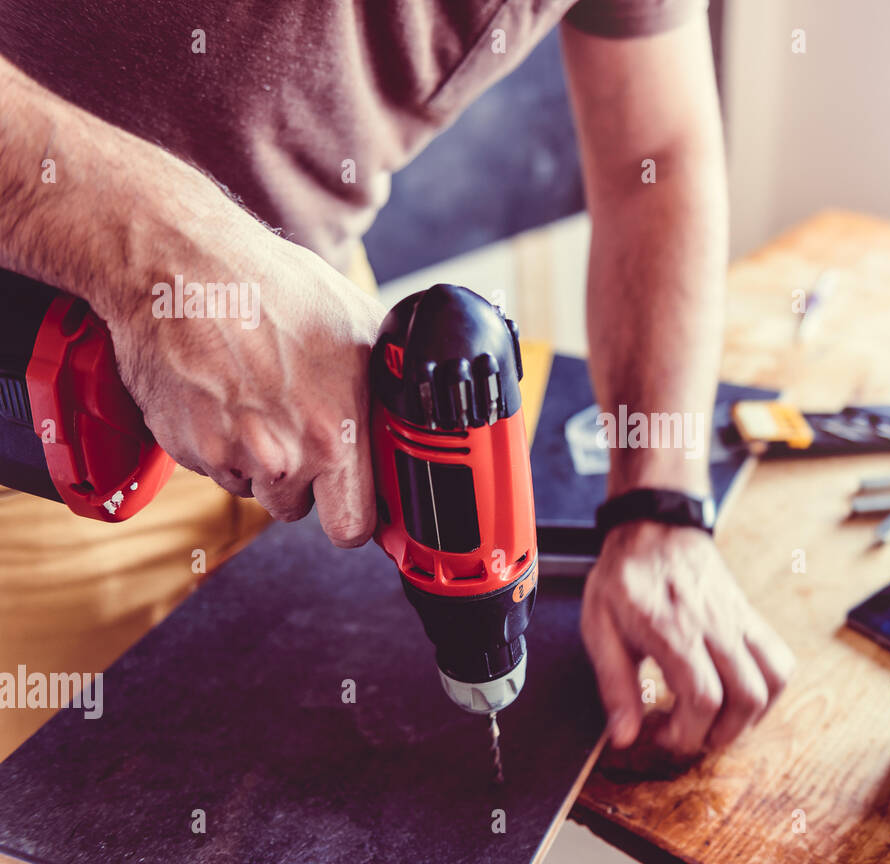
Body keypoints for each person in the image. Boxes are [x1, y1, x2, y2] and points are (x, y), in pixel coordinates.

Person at [0, 1, 794, 760]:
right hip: (52, 431)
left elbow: (656, 155)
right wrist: (166, 267)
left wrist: (658, 504)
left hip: (309, 362)